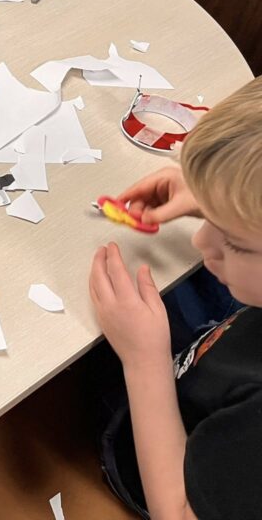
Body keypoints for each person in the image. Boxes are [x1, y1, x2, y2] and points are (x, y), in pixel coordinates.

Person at [90, 75, 262, 520]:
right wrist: (220, 199)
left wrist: (144, 361)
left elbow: (179, 512)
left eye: (235, 243)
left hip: (162, 473)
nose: (202, 241)